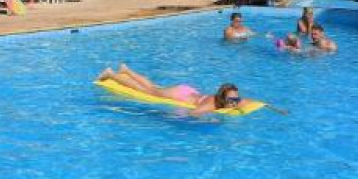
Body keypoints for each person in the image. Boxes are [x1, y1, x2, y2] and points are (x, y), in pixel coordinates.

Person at [96, 64, 249, 114]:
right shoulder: (212, 104)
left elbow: (245, 101)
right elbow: (193, 113)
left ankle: (126, 70)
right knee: (146, 90)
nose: (235, 102)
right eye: (232, 99)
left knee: (152, 86)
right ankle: (111, 74)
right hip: (179, 94)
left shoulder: (228, 100)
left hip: (189, 91)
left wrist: (239, 104)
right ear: (223, 97)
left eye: (236, 99)